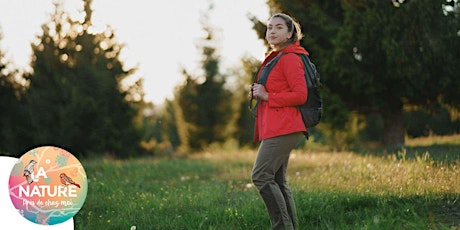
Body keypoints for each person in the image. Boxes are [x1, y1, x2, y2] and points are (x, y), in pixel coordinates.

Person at [248, 13, 308, 230]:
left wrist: (266, 96)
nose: (272, 31)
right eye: (270, 27)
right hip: (276, 126)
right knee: (278, 181)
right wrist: (260, 92)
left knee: (261, 176)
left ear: (290, 33)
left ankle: (282, 227)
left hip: (285, 127)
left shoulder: (291, 58)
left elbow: (300, 95)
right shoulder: (275, 57)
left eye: (279, 28)